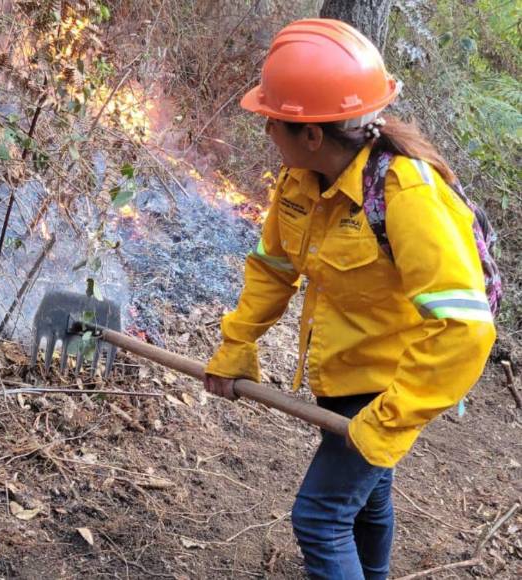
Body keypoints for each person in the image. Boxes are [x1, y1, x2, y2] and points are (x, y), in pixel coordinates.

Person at [203, 18, 497, 580]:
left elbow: (466, 326)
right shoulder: (299, 181)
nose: (266, 129)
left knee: (319, 518)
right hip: (339, 373)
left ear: (313, 134)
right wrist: (238, 342)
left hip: (388, 386)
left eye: (274, 120)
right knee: (367, 501)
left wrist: (390, 418)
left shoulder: (405, 194)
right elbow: (273, 268)